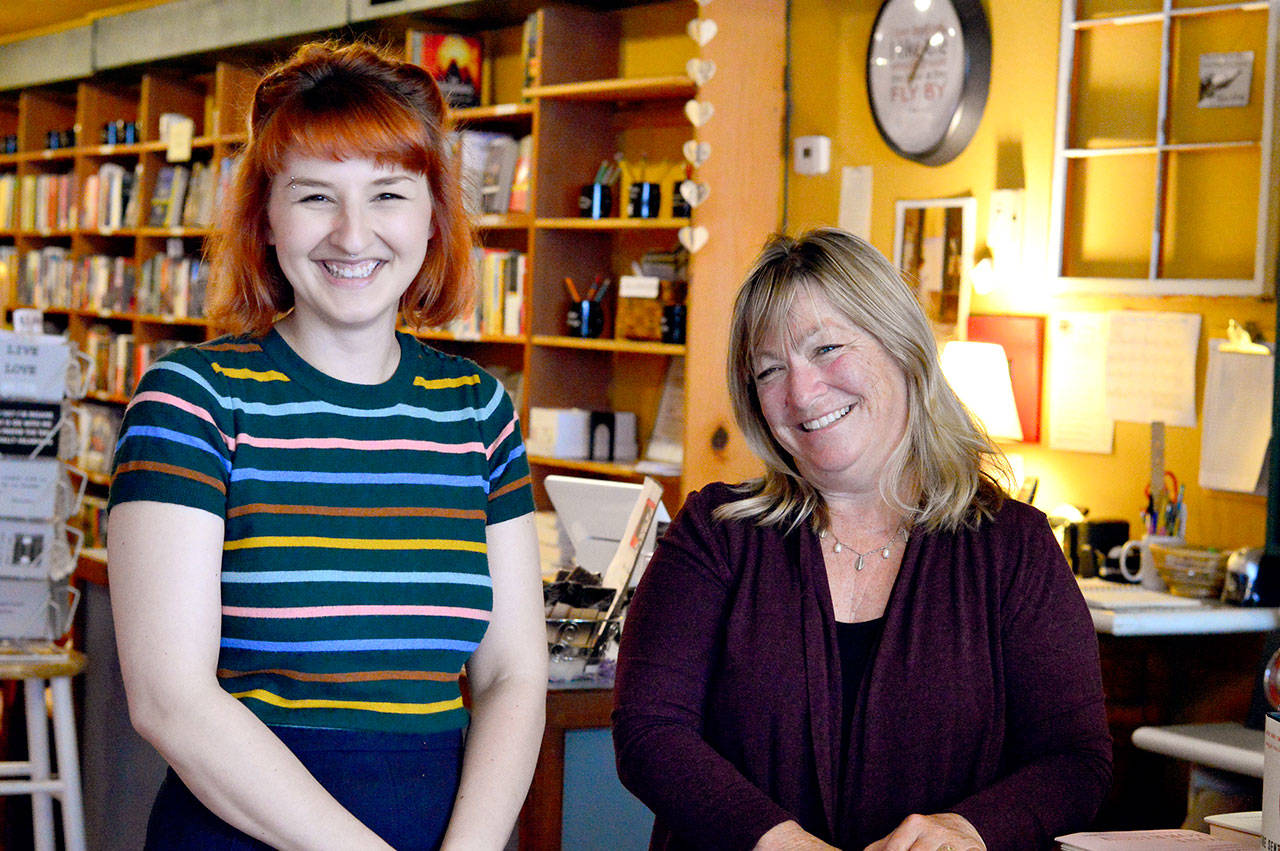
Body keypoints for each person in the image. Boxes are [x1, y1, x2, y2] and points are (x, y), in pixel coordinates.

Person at [107, 41, 546, 850]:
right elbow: (169, 698)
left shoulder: (477, 410)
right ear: (265, 219)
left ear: (431, 216)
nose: (353, 234)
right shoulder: (192, 401)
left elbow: (514, 675)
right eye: (315, 196)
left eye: (388, 193)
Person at [612, 228, 1111, 851]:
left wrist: (968, 831)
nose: (800, 392)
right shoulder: (717, 536)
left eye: (826, 349)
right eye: (769, 371)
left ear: (900, 344)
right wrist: (778, 842)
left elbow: (1075, 760)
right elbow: (650, 731)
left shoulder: (1012, 547)